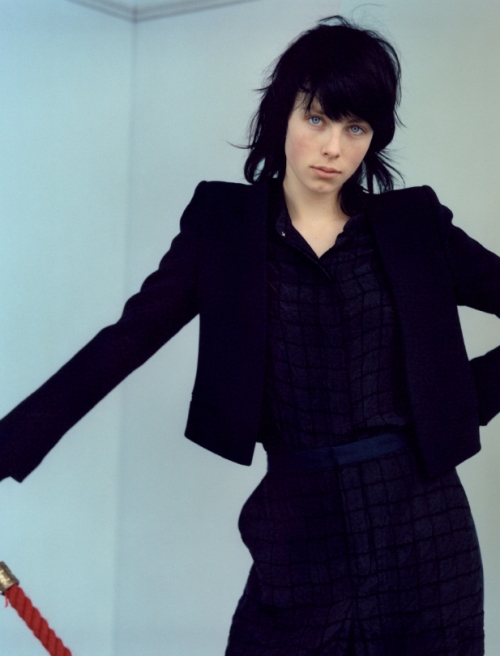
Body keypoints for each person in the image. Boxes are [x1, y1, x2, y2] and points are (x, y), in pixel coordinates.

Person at [0, 14, 497, 655]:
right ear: (281, 114)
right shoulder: (224, 227)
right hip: (297, 534)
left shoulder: (413, 225)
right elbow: (124, 342)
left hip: (425, 533)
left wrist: (460, 399)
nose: (333, 148)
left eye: (355, 129)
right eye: (317, 118)